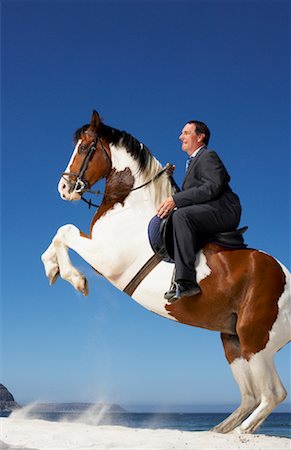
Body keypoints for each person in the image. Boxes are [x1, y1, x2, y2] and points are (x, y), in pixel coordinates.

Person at [157, 120, 241, 302]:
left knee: (181, 216)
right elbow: (192, 195)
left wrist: (175, 200)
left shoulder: (208, 155)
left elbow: (212, 187)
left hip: (224, 210)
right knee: (179, 215)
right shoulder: (192, 162)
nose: (181, 137)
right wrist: (170, 182)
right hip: (210, 209)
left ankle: (186, 282)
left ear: (200, 136)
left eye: (186, 132)